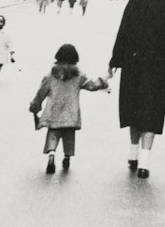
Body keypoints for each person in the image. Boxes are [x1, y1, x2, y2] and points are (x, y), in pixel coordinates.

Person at [108, 0, 165, 180]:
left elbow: (124, 30)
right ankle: (144, 162)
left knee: (133, 109)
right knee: (152, 112)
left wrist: (114, 62)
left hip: (134, 63)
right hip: (160, 68)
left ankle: (132, 154)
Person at [28, 43, 108, 174]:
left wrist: (35, 106)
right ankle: (67, 157)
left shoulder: (51, 75)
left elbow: (41, 93)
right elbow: (92, 86)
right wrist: (103, 80)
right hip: (71, 113)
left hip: (54, 111)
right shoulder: (79, 76)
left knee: (53, 133)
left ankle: (51, 154)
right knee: (69, 135)